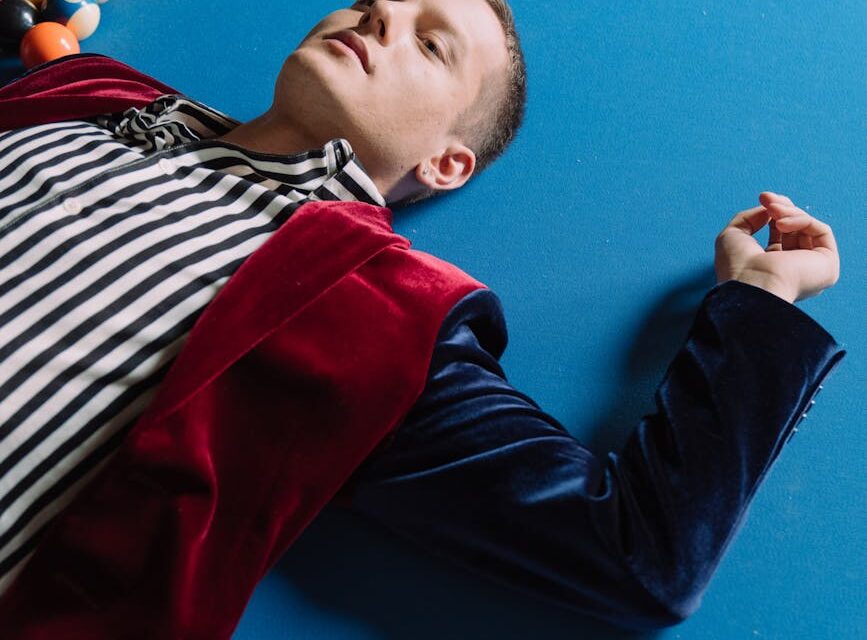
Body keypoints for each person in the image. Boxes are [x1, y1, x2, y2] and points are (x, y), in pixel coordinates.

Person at [0, 0, 845, 638]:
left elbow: (642, 557)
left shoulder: (373, 314)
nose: (381, 18)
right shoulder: (83, 95)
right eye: (376, 2)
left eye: (430, 43)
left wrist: (760, 303)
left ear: (446, 162)